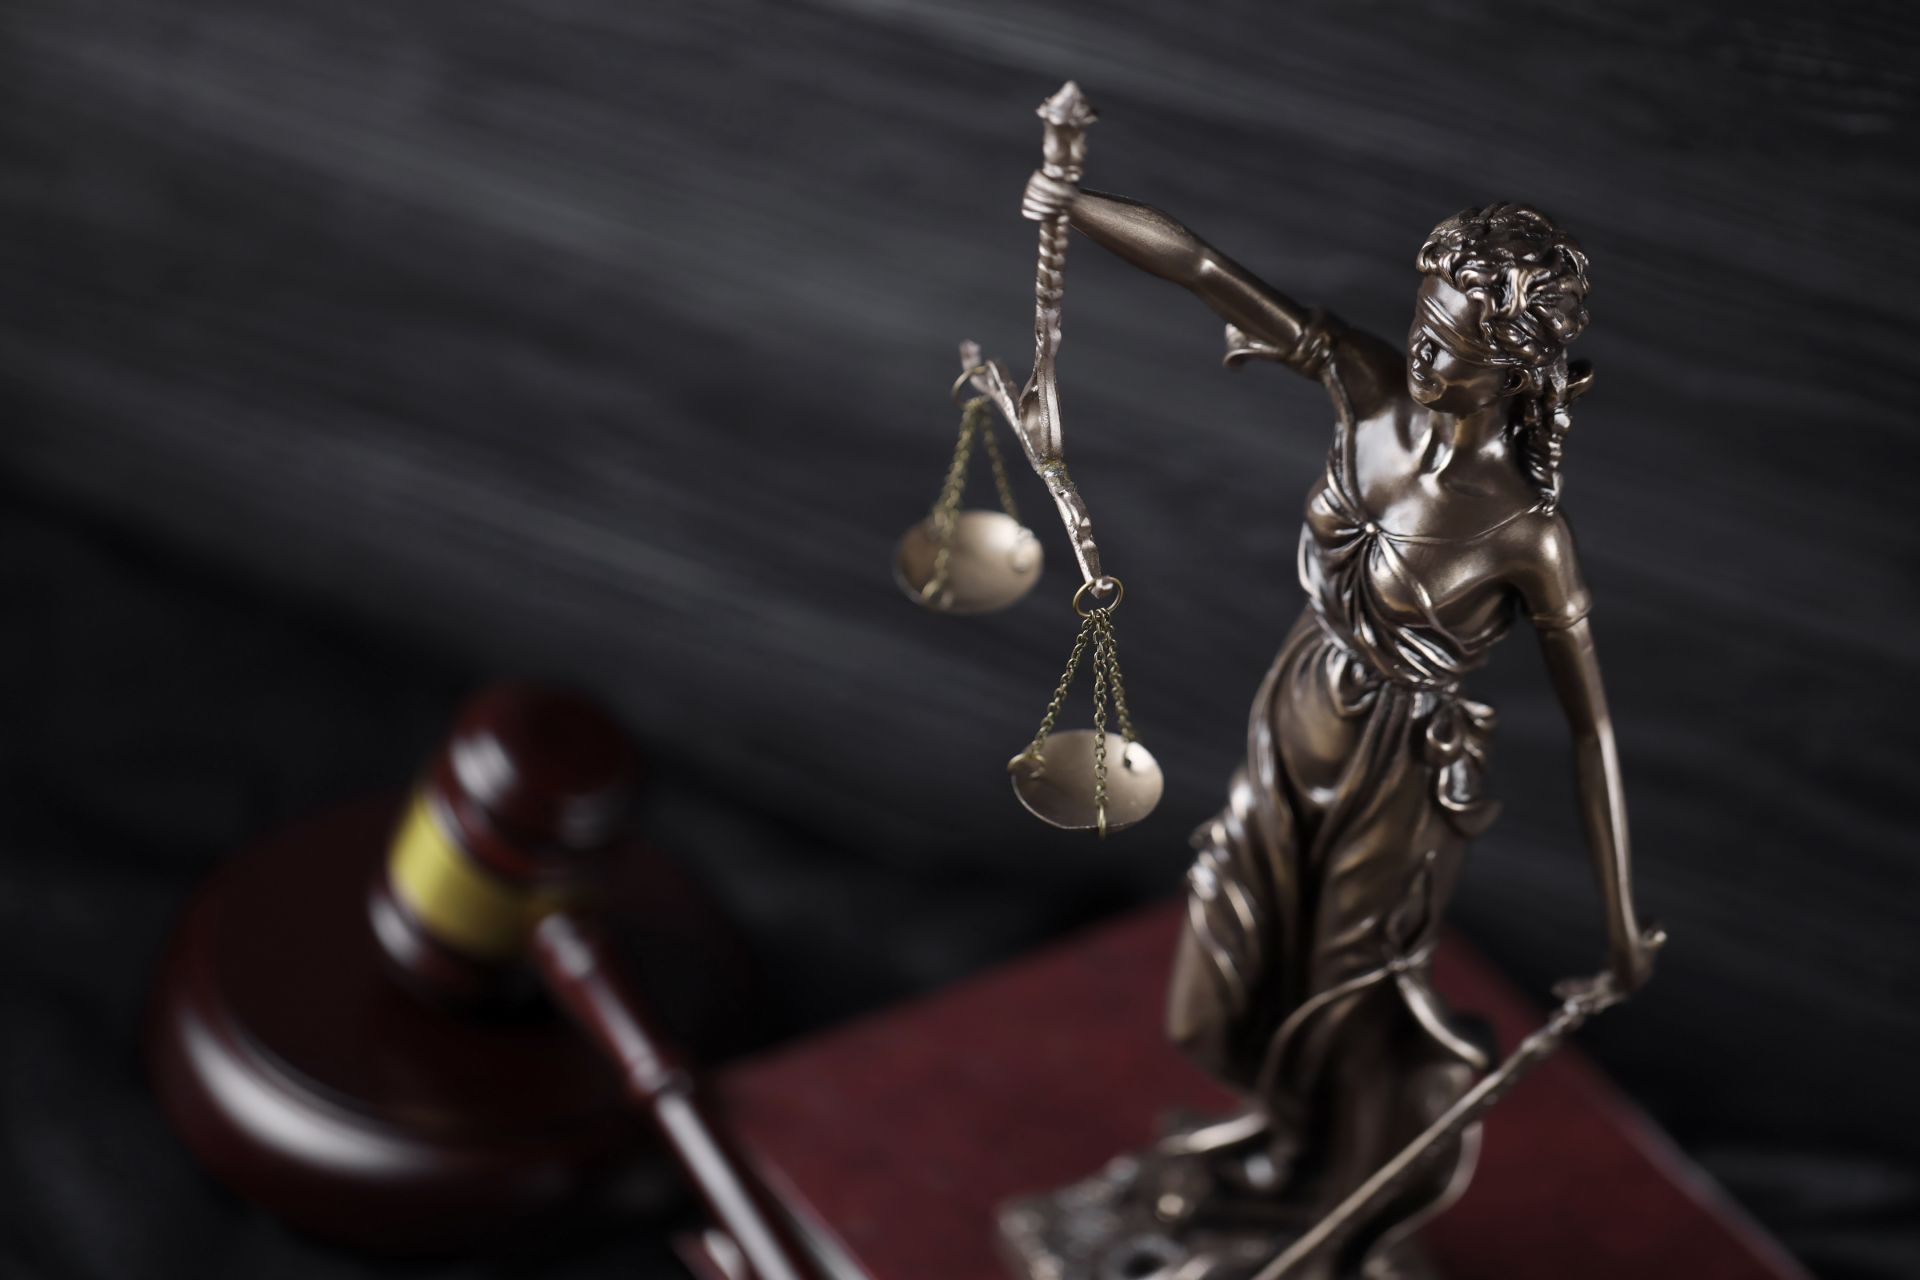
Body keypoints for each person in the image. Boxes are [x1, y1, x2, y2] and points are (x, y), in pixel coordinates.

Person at [1020, 176, 1659, 1278]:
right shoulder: (1367, 387)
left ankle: (1323, 1206)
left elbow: (1591, 728)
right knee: (1229, 976)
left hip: (1402, 773)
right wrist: (1074, 204)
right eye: (1423, 328)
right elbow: (1209, 270)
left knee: (1341, 1001)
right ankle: (1272, 1148)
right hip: (1298, 706)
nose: (1424, 357)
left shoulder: (1525, 531)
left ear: (1515, 365)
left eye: (1456, 347)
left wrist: (1620, 923)